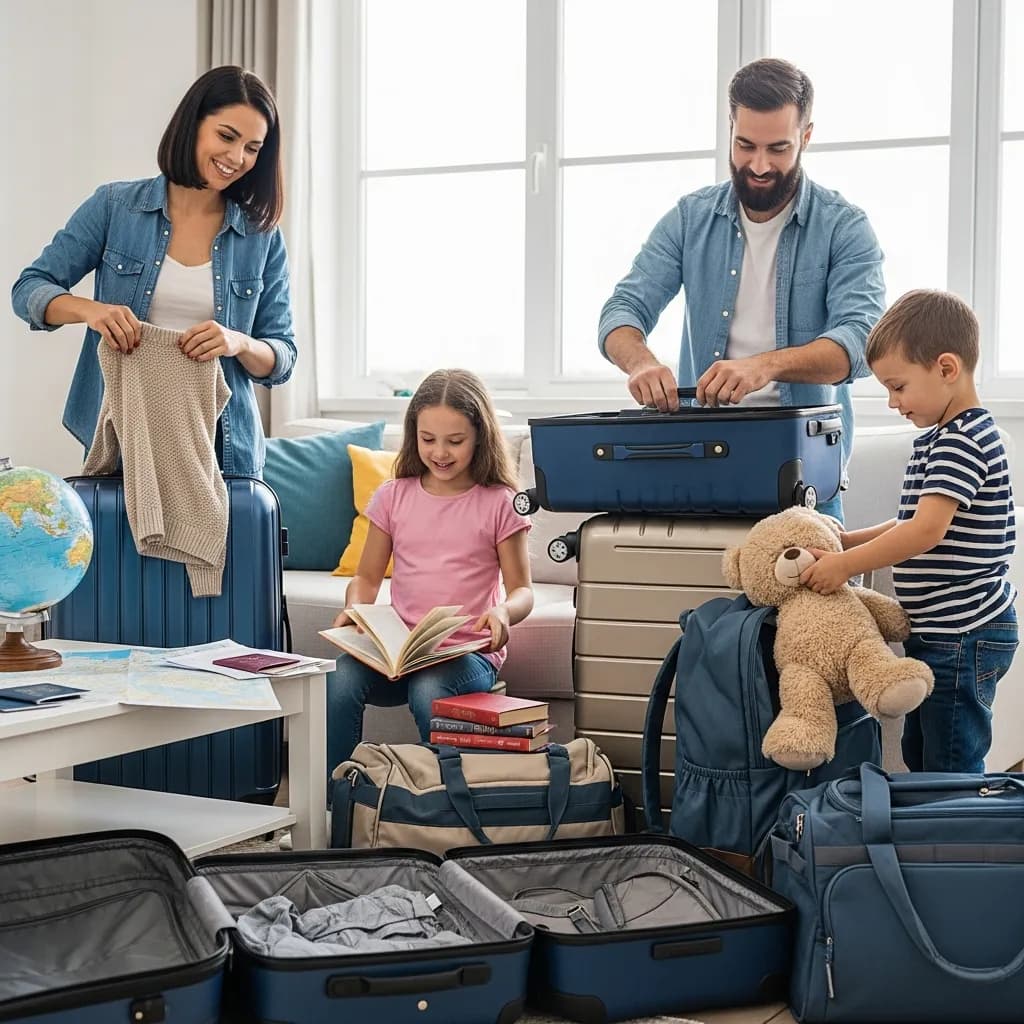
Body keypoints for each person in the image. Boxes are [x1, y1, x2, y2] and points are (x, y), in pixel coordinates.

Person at [598, 57, 885, 521]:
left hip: (807, 471)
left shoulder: (844, 228)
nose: (759, 164)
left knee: (810, 594)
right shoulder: (690, 219)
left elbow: (862, 343)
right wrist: (641, 362)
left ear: (806, 136)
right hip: (702, 463)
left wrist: (764, 367)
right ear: (729, 127)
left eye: (778, 148)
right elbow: (622, 309)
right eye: (745, 144)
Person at [11, 65, 295, 477]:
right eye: (227, 136)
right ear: (192, 124)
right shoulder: (114, 207)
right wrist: (92, 311)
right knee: (116, 542)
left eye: (253, 148)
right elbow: (29, 289)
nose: (237, 158)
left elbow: (282, 355)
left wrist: (238, 342)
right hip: (122, 437)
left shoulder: (262, 237)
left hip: (220, 450)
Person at [800, 290, 1017, 773]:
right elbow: (911, 521)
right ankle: (930, 837)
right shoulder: (938, 438)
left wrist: (844, 566)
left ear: (946, 368)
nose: (893, 403)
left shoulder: (963, 440)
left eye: (898, 387)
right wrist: (846, 541)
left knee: (951, 760)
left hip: (965, 631)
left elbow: (925, 533)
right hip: (943, 632)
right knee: (923, 752)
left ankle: (960, 841)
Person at [326, 368, 535, 774]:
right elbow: (367, 578)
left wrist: (504, 613)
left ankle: (437, 803)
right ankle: (336, 802)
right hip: (400, 652)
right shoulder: (394, 496)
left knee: (430, 690)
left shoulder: (500, 503)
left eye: (455, 441)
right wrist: (356, 610)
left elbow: (522, 590)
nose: (440, 452)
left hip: (467, 654)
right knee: (339, 682)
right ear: (413, 434)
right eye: (428, 439)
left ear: (479, 436)